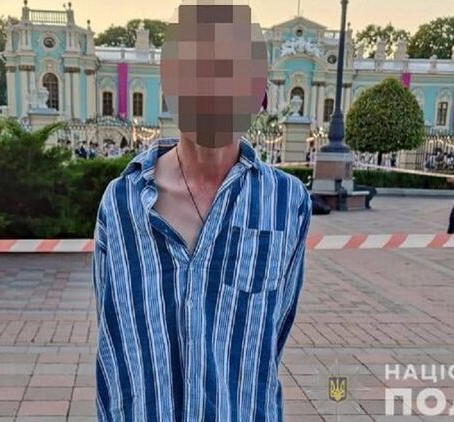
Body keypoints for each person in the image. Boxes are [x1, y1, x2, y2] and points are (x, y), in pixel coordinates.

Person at [92, 3, 312, 421]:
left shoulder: (286, 204)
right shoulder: (121, 205)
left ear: (259, 94)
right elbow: (113, 340)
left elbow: (273, 336)